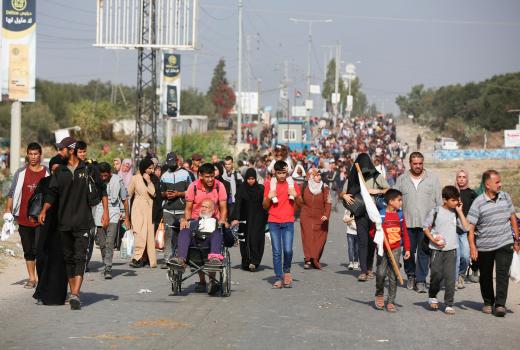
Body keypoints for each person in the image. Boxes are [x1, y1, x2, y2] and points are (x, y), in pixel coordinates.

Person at [39, 137, 109, 310]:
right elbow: (52, 194)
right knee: (69, 258)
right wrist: (44, 210)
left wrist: (106, 213)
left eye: (62, 149)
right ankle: (73, 293)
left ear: (70, 150)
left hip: (83, 222)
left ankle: (75, 294)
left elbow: (102, 190)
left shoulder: (88, 169)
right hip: (64, 223)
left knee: (80, 257)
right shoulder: (60, 172)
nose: (59, 152)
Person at [467, 170, 519, 317]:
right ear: (487, 184)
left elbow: (513, 217)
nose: (500, 184)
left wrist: (516, 239)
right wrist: (472, 247)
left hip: (505, 242)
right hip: (485, 245)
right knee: (485, 275)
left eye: (500, 181)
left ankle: (500, 304)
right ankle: (488, 302)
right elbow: (471, 227)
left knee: (502, 274)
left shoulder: (505, 197)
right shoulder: (478, 202)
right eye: (497, 182)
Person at [171, 163, 228, 293]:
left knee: (216, 234)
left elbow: (224, 207)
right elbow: (188, 208)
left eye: (212, 176)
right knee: (185, 232)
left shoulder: (219, 186)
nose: (210, 179)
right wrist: (186, 220)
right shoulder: (193, 187)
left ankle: (212, 277)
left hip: (213, 223)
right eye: (207, 177)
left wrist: (223, 220)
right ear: (201, 176)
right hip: (196, 223)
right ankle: (181, 260)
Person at [394, 152, 442, 293]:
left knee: (424, 253)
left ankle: (420, 280)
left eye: (420, 163)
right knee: (407, 251)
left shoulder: (432, 179)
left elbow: (438, 202)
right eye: (415, 163)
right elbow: (395, 202)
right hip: (407, 224)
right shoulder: (402, 180)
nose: (418, 166)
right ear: (410, 163)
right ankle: (411, 275)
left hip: (426, 225)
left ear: (423, 163)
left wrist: (438, 222)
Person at [5, 143, 49, 289]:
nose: (33, 157)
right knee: (28, 250)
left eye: (36, 154)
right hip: (23, 219)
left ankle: (43, 278)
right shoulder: (20, 173)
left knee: (40, 250)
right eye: (31, 154)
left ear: (40, 155)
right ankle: (32, 278)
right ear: (28, 155)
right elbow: (11, 194)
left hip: (42, 219)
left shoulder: (47, 173)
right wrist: (7, 210)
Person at [342, 153, 389, 282]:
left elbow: (388, 189)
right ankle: (363, 271)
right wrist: (344, 196)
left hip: (373, 213)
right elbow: (344, 191)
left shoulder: (375, 176)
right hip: (359, 212)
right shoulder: (353, 177)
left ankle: (369, 268)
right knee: (362, 241)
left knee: (371, 242)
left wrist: (376, 191)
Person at [423, 186, 470, 315]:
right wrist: (433, 239)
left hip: (452, 250)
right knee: (436, 274)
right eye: (453, 200)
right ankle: (432, 296)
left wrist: (460, 211)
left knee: (450, 277)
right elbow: (425, 227)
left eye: (457, 200)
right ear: (445, 199)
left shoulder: (455, 212)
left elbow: (466, 228)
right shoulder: (435, 211)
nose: (456, 203)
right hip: (436, 250)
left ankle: (449, 303)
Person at [33, 155, 68, 305]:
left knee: (53, 261)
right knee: (48, 259)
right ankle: (49, 293)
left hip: (56, 228)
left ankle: (51, 294)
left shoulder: (66, 183)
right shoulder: (49, 182)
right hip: (52, 227)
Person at [263, 160, 302, 289]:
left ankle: (287, 271)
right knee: (277, 251)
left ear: (287, 172)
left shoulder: (293, 184)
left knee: (288, 250)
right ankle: (279, 277)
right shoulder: (269, 184)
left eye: (283, 173)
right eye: (279, 173)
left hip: (288, 221)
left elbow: (301, 204)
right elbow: (264, 206)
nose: (281, 176)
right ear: (275, 172)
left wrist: (296, 196)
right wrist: (269, 197)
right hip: (273, 221)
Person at [374, 189, 410, 312]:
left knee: (393, 275)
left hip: (395, 249)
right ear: (390, 201)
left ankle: (390, 301)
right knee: (380, 273)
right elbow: (373, 231)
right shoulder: (380, 215)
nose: (401, 203)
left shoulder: (400, 215)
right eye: (399, 200)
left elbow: (404, 232)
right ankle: (379, 295)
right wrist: (378, 236)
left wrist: (407, 248)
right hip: (382, 249)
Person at [95, 162, 131, 279]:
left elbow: (125, 199)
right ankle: (105, 261)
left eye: (106, 176)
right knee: (102, 243)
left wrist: (127, 218)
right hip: (99, 211)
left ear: (110, 173)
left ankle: (107, 267)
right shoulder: (95, 180)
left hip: (114, 212)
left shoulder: (118, 180)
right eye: (102, 176)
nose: (103, 178)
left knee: (110, 242)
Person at [231, 168, 268, 271]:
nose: (250, 181)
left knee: (256, 239)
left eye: (252, 179)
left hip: (258, 218)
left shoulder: (261, 189)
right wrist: (236, 218)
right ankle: (246, 261)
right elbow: (237, 204)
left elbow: (265, 204)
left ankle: (255, 261)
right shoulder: (241, 189)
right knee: (244, 240)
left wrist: (267, 217)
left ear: (255, 179)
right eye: (248, 179)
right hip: (244, 219)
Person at [160, 152, 192, 268]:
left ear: (177, 161)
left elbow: (191, 191)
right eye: (169, 163)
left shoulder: (186, 174)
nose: (171, 165)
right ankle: (167, 259)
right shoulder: (164, 176)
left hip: (182, 210)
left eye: (173, 163)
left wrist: (179, 194)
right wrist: (165, 194)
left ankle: (182, 258)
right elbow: (160, 192)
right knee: (168, 235)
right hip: (168, 210)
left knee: (183, 234)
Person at [300, 169, 332, 270]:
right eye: (317, 175)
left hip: (320, 216)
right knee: (308, 237)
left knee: (320, 238)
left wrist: (326, 215)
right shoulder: (304, 186)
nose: (319, 177)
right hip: (306, 215)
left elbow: (328, 202)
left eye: (320, 175)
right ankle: (308, 259)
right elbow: (298, 200)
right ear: (311, 176)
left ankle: (315, 258)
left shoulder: (325, 188)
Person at [128, 158, 157, 268]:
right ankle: (137, 258)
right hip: (138, 208)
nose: (151, 170)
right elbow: (129, 193)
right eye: (149, 168)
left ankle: (149, 259)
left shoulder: (153, 179)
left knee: (149, 234)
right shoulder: (135, 178)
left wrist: (149, 181)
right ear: (144, 167)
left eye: (152, 168)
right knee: (139, 233)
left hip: (150, 209)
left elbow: (154, 194)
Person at [455, 169, 478, 287]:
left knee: (464, 255)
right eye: (459, 177)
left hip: (466, 230)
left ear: (467, 178)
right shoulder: (452, 192)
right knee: (456, 256)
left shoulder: (472, 193)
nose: (461, 179)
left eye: (464, 177)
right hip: (453, 230)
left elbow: (478, 210)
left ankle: (462, 274)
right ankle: (457, 278)